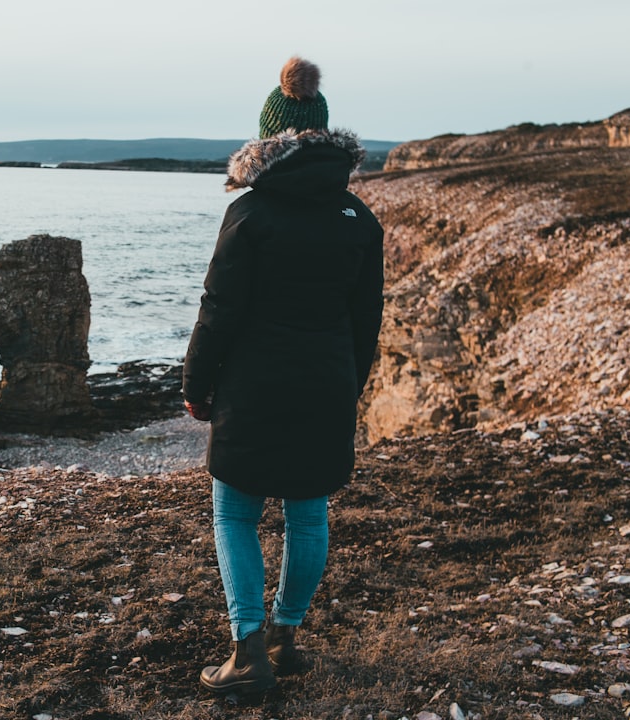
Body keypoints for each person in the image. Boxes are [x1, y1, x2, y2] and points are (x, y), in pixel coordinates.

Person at [182, 56, 384, 694]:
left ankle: (246, 653)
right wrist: (345, 388)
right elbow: (366, 323)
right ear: (326, 139)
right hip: (326, 382)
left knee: (235, 514)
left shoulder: (250, 212)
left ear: (267, 140)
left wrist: (195, 384)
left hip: (253, 387)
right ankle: (284, 638)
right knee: (308, 513)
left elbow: (218, 310)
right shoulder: (360, 219)